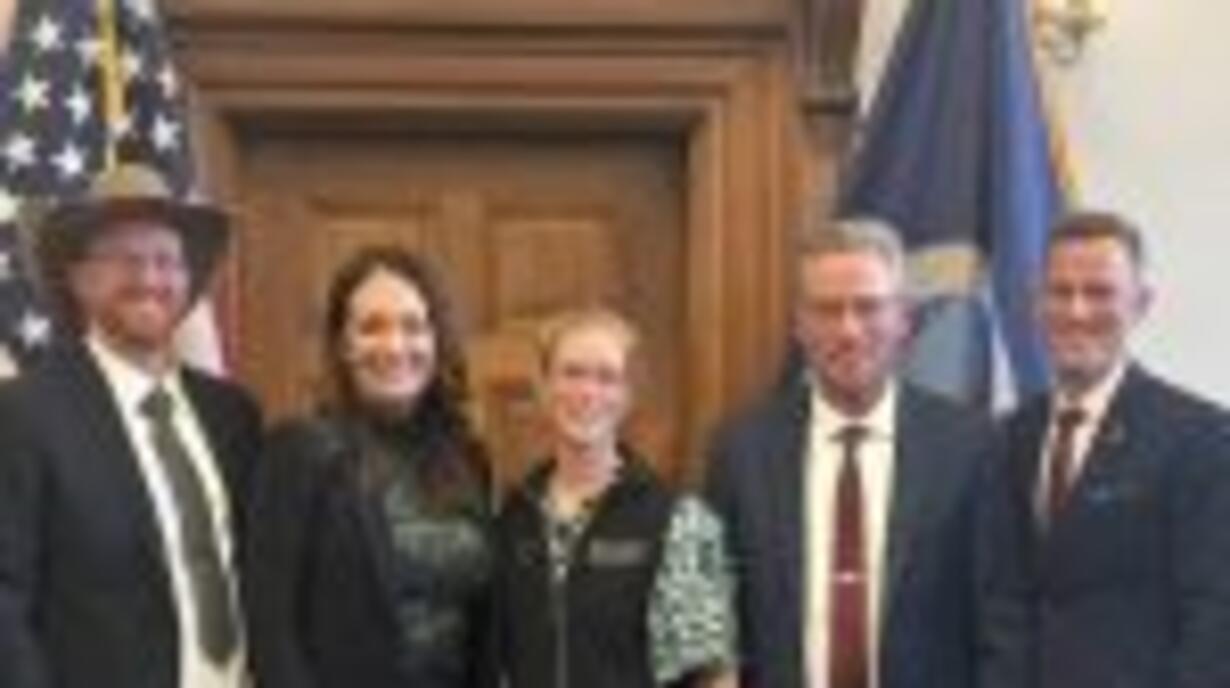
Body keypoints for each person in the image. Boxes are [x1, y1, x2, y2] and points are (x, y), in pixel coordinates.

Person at [0, 163, 263, 688]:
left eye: (167, 261)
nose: (149, 279)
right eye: (125, 260)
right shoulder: (26, 414)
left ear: (188, 281)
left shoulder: (232, 415)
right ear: (80, 279)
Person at [705, 217, 989, 688]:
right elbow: (714, 606)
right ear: (800, 325)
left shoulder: (970, 446)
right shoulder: (743, 451)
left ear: (903, 319)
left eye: (868, 307)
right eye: (827, 310)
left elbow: (996, 610)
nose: (849, 330)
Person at [978, 211, 1230, 688]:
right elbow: (998, 602)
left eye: (1099, 292)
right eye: (1060, 292)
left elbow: (1215, 623)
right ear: (1036, 303)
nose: (1077, 311)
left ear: (1141, 304)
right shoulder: (1008, 437)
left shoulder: (1201, 438)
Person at [246, 246, 495, 688]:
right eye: (371, 327)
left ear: (436, 339)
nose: (395, 346)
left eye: (413, 326)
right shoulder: (300, 453)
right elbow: (272, 633)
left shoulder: (467, 456)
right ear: (343, 345)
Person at [495, 307, 738, 688]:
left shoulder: (678, 522)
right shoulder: (513, 516)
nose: (587, 392)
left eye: (606, 378)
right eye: (572, 373)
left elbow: (712, 675)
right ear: (543, 387)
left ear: (627, 396)